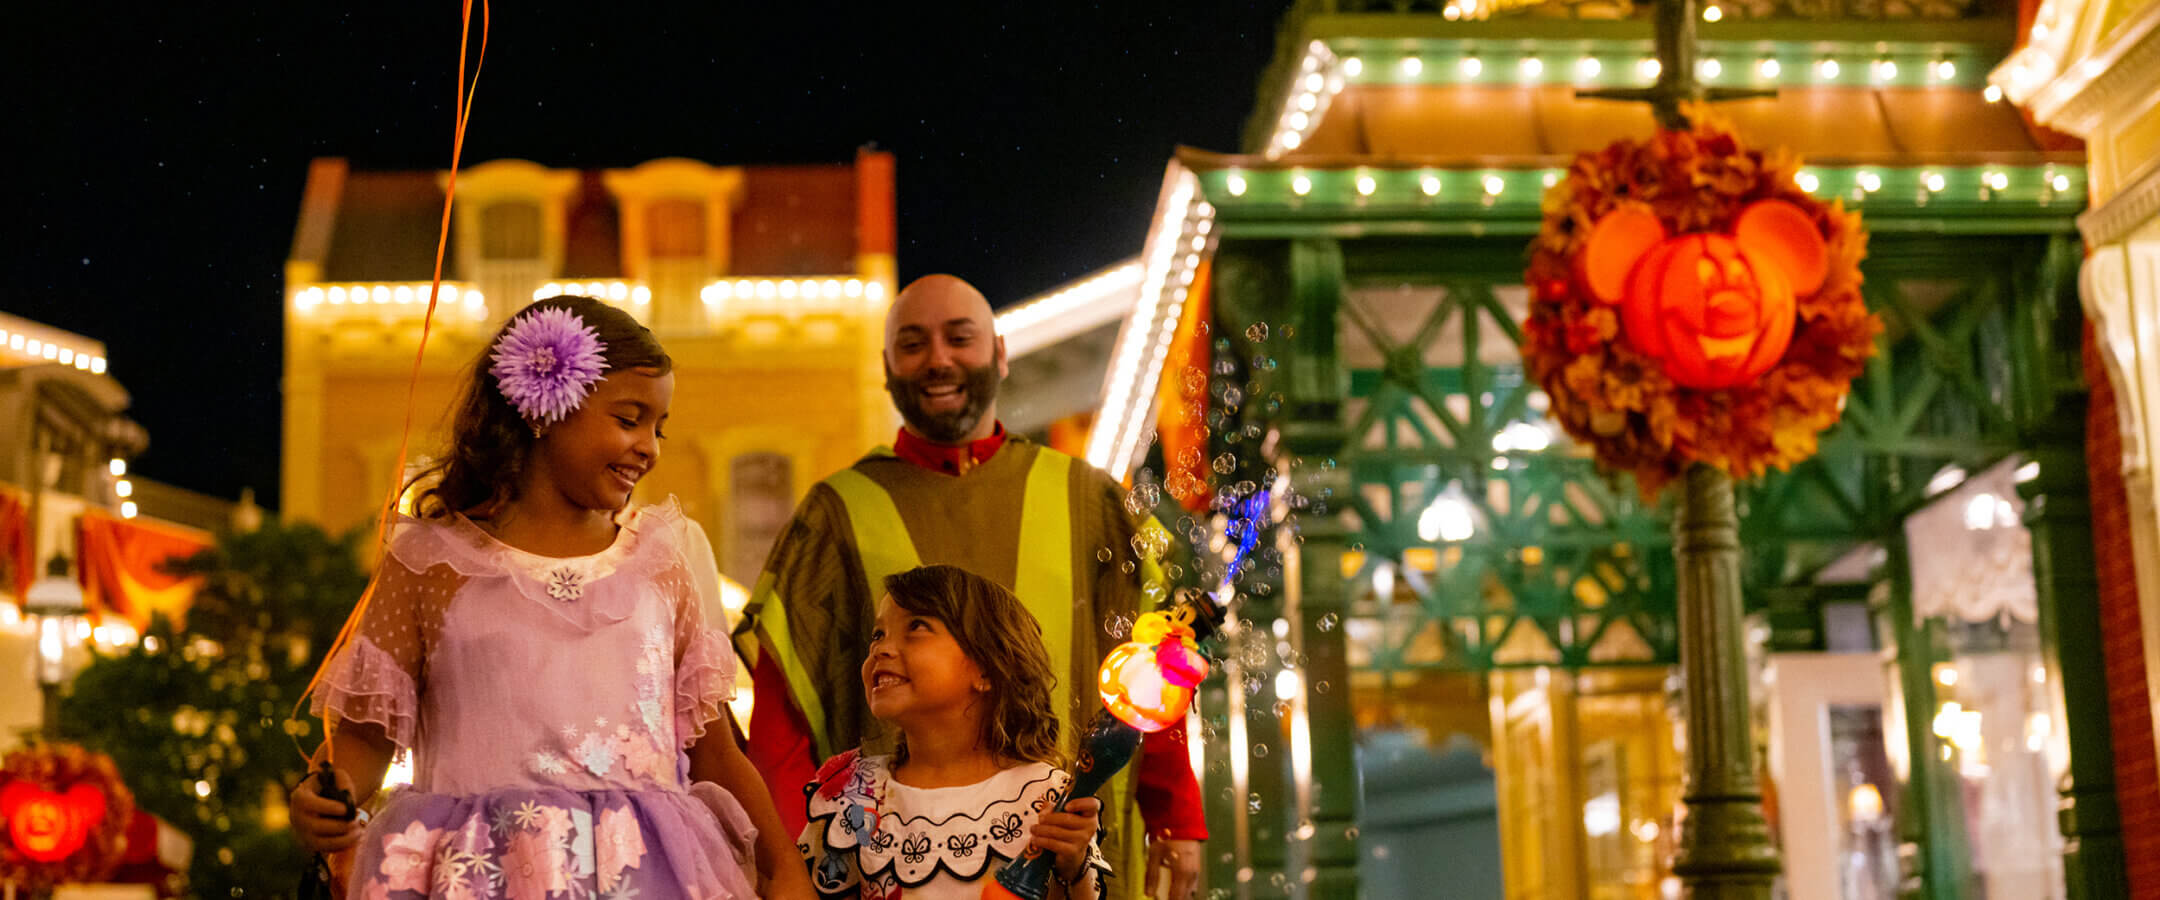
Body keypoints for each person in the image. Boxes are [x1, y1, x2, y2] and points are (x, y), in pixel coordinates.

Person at [287, 296, 813, 900]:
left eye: (657, 427)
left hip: (644, 872)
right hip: (478, 874)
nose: (650, 447)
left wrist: (783, 868)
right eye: (628, 418)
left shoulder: (662, 564)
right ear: (544, 408)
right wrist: (329, 796)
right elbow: (365, 736)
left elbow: (714, 750)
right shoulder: (430, 563)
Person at [735, 275, 1205, 900]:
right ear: (886, 367)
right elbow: (781, 712)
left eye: (960, 338)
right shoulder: (835, 510)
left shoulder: (1089, 498)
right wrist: (790, 861)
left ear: (1000, 353)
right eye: (913, 343)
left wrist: (1177, 813)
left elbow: (1152, 668)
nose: (938, 359)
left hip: (1072, 852)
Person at [800, 565, 1109, 899]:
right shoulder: (851, 795)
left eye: (916, 626)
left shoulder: (1044, 797)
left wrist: (1073, 867)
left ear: (988, 669)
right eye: (878, 634)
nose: (880, 649)